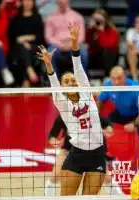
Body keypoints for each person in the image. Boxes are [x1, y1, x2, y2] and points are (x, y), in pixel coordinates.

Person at [37, 23, 106, 195]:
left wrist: (75, 44)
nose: (72, 82)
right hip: (77, 156)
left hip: (97, 154)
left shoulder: (87, 93)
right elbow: (54, 84)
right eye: (67, 81)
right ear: (62, 87)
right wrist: (48, 65)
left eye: (73, 80)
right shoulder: (63, 103)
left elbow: (78, 67)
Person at [44, 115, 123, 196]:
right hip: (69, 152)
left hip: (92, 152)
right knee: (55, 176)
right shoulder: (64, 115)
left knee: (107, 178)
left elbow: (108, 124)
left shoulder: (92, 113)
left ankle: (121, 197)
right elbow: (52, 135)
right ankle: (48, 197)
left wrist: (108, 129)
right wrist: (53, 140)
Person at [97, 66, 139, 146]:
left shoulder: (136, 89)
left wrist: (135, 124)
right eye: (113, 79)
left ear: (125, 77)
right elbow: (100, 102)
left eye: (119, 78)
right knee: (104, 123)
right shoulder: (108, 85)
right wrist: (96, 117)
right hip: (121, 112)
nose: (116, 82)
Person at [45, 0, 88, 73]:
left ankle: (81, 81)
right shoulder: (50, 18)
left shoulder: (77, 17)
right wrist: (60, 44)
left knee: (84, 54)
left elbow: (81, 37)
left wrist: (72, 44)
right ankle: (55, 82)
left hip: (74, 43)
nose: (62, 1)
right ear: (56, 1)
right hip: (57, 45)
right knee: (49, 55)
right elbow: (48, 37)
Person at [9, 0, 44, 87]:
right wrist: (25, 41)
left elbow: (40, 37)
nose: (28, 3)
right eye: (26, 1)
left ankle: (26, 80)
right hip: (18, 48)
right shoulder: (16, 19)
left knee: (25, 51)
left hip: (34, 46)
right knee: (22, 49)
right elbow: (13, 37)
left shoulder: (37, 18)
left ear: (33, 3)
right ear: (22, 2)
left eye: (30, 1)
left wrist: (26, 39)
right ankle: (29, 71)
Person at [87, 8, 120, 77]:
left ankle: (108, 76)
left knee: (107, 52)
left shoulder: (112, 30)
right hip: (94, 57)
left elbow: (107, 45)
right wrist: (90, 29)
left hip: (109, 59)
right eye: (95, 20)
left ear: (105, 20)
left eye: (99, 20)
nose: (97, 22)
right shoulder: (92, 30)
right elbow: (86, 42)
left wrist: (101, 31)